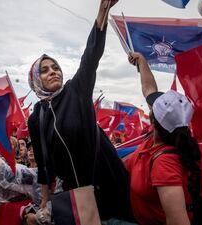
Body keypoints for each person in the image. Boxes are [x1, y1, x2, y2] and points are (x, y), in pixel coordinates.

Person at [27, 0, 134, 222]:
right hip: (74, 195)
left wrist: (103, 9)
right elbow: (43, 165)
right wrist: (45, 201)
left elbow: (91, 55)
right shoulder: (36, 116)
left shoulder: (76, 90)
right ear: (36, 80)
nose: (53, 72)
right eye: (45, 71)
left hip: (106, 180)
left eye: (55, 67)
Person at [124, 52, 202, 225]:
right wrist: (141, 61)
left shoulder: (164, 163)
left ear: (152, 121)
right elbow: (148, 89)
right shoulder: (168, 134)